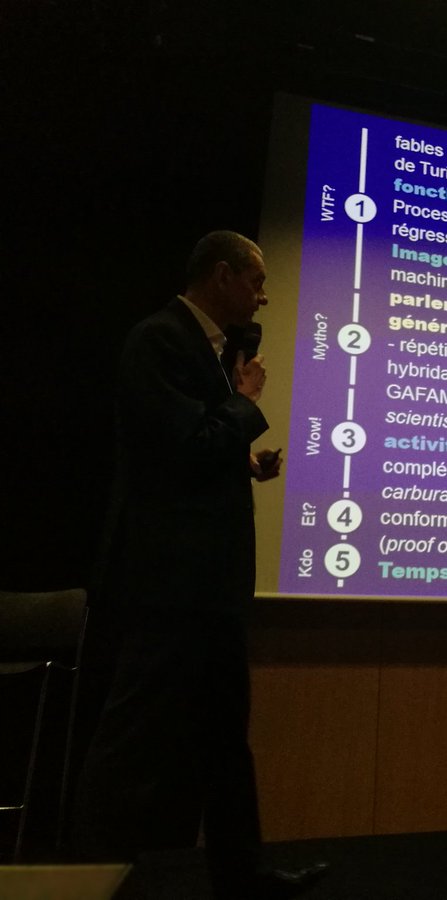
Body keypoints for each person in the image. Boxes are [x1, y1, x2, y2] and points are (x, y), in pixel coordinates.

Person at [72, 231, 325, 898]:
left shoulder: (206, 350)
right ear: (221, 276)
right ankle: (92, 877)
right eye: (257, 281)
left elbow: (193, 450)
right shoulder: (158, 339)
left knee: (224, 738)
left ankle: (243, 874)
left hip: (208, 586)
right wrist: (246, 401)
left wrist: (245, 460)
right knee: (132, 738)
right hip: (168, 584)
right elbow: (180, 449)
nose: (264, 296)